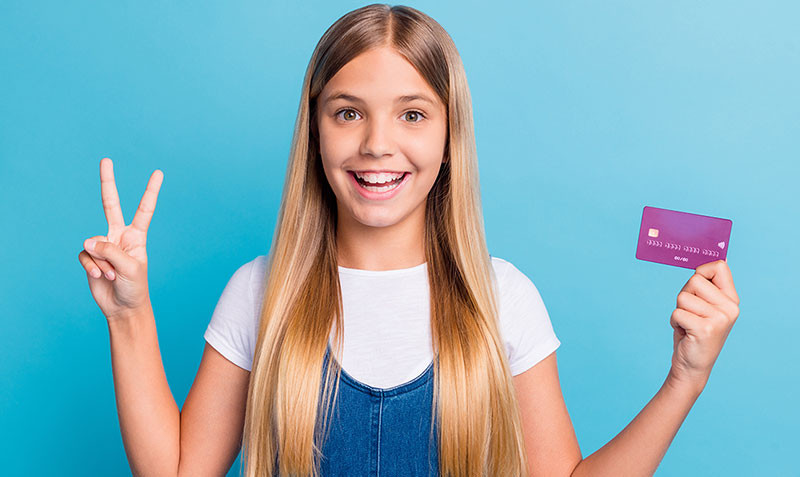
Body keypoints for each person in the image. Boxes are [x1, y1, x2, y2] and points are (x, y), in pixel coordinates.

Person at [78, 4, 741, 477]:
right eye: (348, 112)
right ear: (314, 132)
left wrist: (684, 378)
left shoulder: (502, 299)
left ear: (450, 138)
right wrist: (129, 316)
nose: (377, 143)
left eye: (413, 115)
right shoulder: (260, 292)